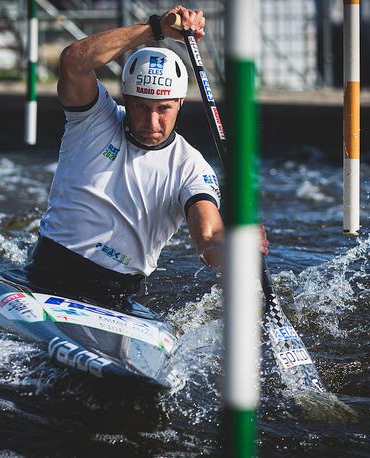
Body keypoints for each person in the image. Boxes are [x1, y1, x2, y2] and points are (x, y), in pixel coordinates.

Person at [25, 6, 268, 305]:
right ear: (126, 98)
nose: (152, 122)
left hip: (113, 297)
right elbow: (74, 61)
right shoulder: (94, 119)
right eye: (141, 106)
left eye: (163, 108)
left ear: (179, 103)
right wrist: (156, 29)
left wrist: (236, 244)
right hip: (45, 275)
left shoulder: (191, 167)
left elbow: (208, 240)